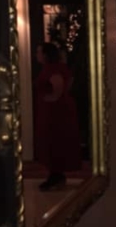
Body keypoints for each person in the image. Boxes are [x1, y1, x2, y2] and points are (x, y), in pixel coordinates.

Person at [33, 41, 81, 191]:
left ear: (46, 55)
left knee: (53, 141)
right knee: (54, 141)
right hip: (57, 110)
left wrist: (53, 98)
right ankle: (56, 175)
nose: (37, 55)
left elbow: (58, 85)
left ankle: (55, 175)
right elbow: (69, 81)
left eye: (39, 52)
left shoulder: (52, 69)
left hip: (54, 112)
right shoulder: (57, 68)